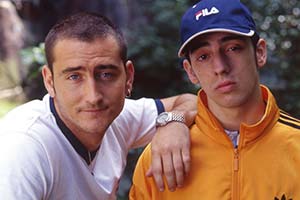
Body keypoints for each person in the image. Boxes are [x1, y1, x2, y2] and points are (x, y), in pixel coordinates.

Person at [0, 12, 197, 199]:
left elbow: (190, 101)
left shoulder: (120, 117)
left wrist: (173, 122)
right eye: (74, 77)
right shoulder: (24, 147)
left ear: (129, 77)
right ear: (49, 82)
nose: (93, 97)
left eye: (106, 74)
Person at [129, 0, 300, 199]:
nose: (220, 67)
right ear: (190, 71)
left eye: (233, 48)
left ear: (259, 53)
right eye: (203, 56)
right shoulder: (160, 158)